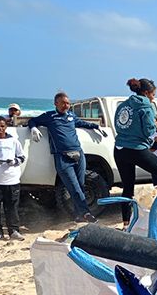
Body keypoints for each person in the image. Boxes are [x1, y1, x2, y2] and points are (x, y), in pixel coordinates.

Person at [28, 91, 103, 223]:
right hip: (62, 157)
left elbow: (82, 123)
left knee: (80, 185)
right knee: (73, 187)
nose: (66, 105)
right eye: (63, 103)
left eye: (68, 103)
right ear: (56, 103)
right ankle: (86, 214)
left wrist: (95, 126)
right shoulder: (49, 116)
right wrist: (33, 128)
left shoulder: (71, 116)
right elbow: (32, 120)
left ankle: (78, 215)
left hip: (79, 155)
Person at [113, 78, 157, 228]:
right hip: (135, 149)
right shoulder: (146, 105)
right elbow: (148, 130)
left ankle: (126, 223)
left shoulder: (124, 105)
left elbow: (119, 125)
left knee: (127, 187)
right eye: (153, 95)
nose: (153, 98)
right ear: (146, 93)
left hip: (119, 149)